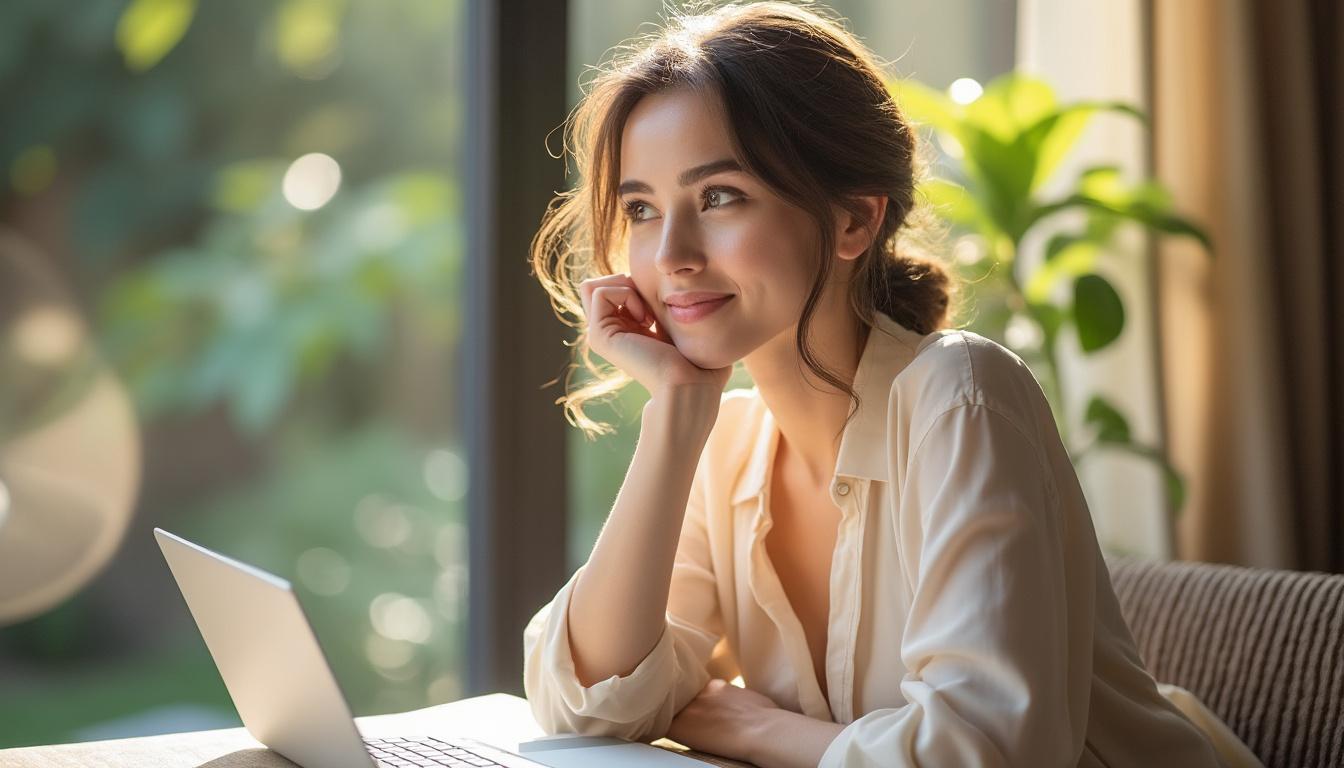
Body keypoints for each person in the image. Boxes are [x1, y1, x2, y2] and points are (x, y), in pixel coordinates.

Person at [522, 2, 1262, 766]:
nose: (670, 254)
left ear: (853, 221)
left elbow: (985, 753)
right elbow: (589, 704)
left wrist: (747, 726)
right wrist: (677, 414)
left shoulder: (960, 396)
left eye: (718, 197)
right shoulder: (729, 446)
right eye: (642, 208)